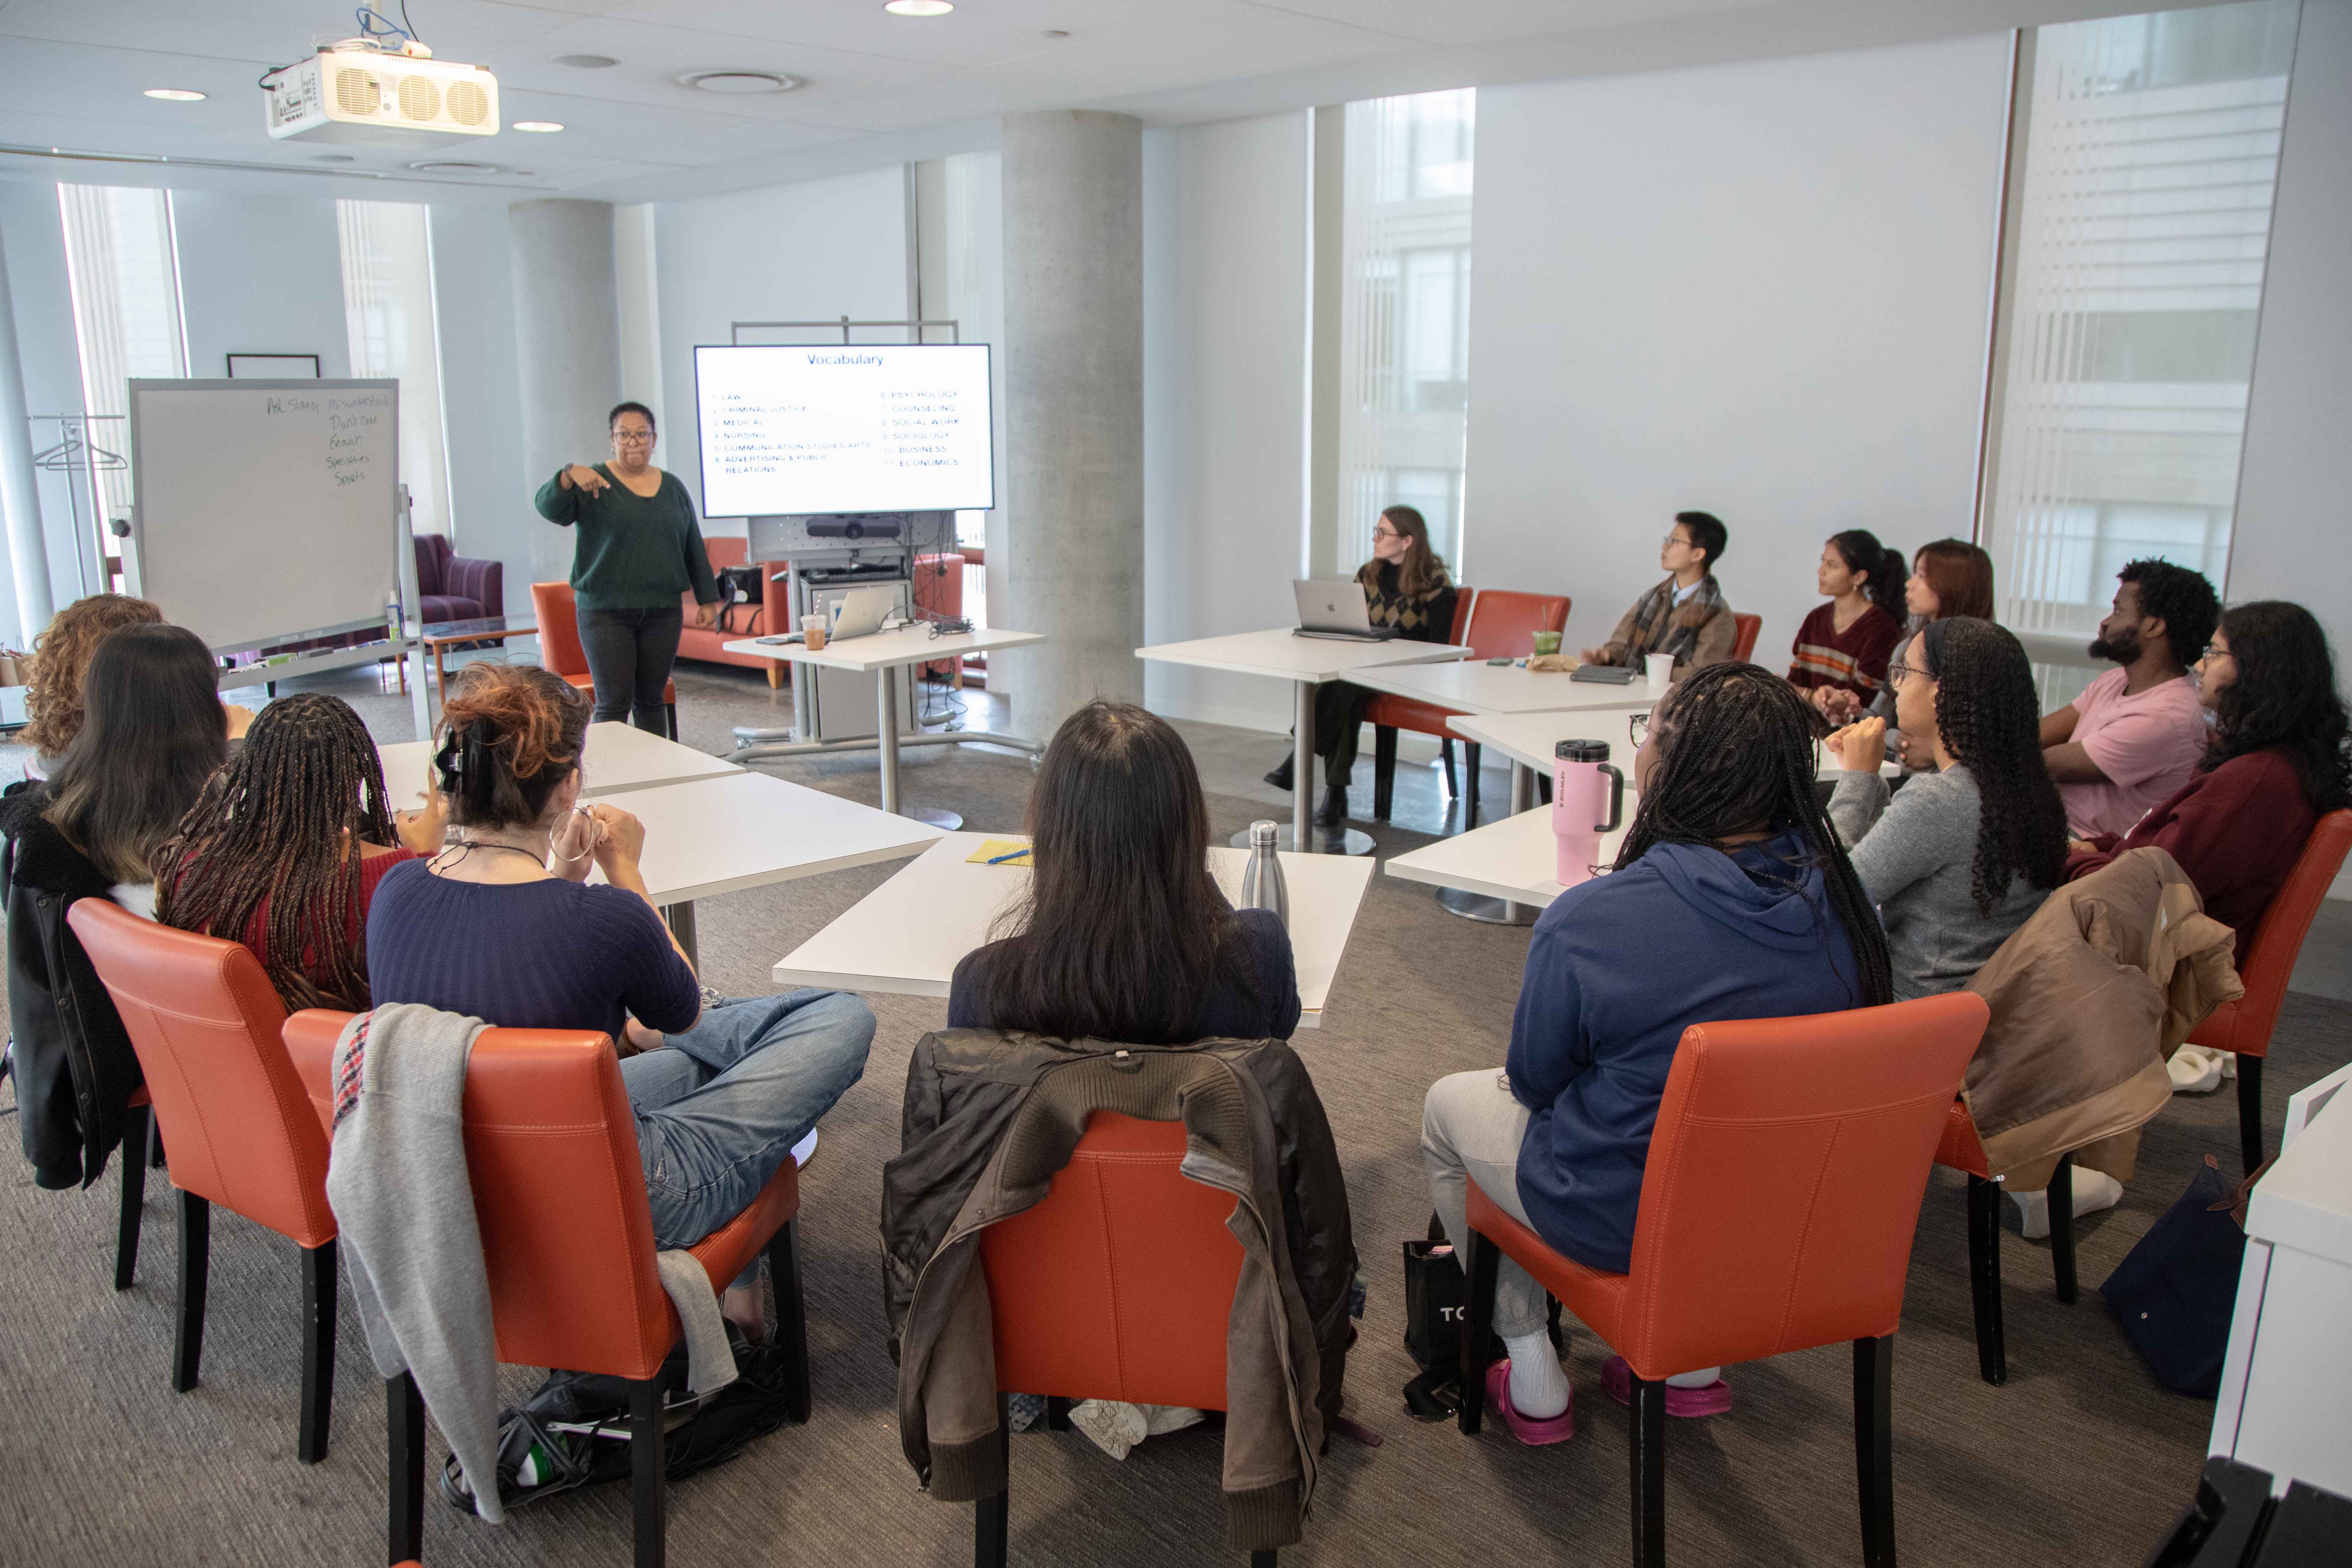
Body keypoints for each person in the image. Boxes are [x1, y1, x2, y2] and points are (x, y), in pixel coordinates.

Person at [1423, 663, 1891, 1442]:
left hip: (1624, 1214)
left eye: (1651, 731)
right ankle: (1691, 1366)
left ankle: (1530, 1363)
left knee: (1447, 1103)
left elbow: (1536, 1082)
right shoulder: (1848, 909)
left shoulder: (1592, 919)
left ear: (1671, 765)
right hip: (1789, 1214)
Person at [365, 663, 874, 1337]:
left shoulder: (395, 893)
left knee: (708, 1057)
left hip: (463, 1178)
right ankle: (739, 1298)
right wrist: (623, 869)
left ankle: (742, 1301)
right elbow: (688, 1006)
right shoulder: (602, 919)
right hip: (614, 1193)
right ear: (568, 784)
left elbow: (509, 945)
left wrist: (563, 877)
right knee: (840, 1016)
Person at [2067, 602, 2351, 1089]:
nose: (2200, 664)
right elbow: (2169, 854)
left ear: (2259, 671)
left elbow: (2145, 889)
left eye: (2215, 654)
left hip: (2166, 957)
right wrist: (2105, 845)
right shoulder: (2273, 764)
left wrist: (2072, 859)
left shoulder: (2253, 780)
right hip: (2170, 929)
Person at [2, 622, 233, 1188]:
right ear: (203, 707)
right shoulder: (220, 821)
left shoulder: (56, 816)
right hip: (205, 1035)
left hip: (119, 1026)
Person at [954, 699, 1300, 1041]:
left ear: (1050, 835)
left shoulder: (983, 983)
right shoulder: (1259, 951)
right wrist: (1201, 891)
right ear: (1192, 828)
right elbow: (1276, 1038)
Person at [155, 694, 444, 1012]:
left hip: (238, 1054)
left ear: (248, 771)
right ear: (356, 780)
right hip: (346, 1055)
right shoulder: (396, 882)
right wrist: (424, 853)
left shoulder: (190, 872)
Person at [1827, 617, 2066, 1001]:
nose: (1895, 686)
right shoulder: (2022, 787)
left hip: (1907, 1014)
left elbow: (1829, 895)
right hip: (1977, 1011)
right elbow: (1907, 851)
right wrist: (1869, 778)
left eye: (1904, 670)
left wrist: (1856, 778)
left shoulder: (1939, 800)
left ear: (1943, 689)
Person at [1263, 504, 1459, 827]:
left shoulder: (1435, 583)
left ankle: (1306, 762)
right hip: (1364, 668)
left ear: (1408, 541)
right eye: (1375, 531)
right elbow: (1351, 623)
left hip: (1412, 672)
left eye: (1383, 533)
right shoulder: (1369, 574)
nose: (1375, 539)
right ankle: (1334, 793)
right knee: (1345, 688)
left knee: (1343, 685)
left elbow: (1440, 648)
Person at [533, 401, 720, 735]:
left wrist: (708, 599)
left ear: (654, 439)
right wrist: (566, 475)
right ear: (612, 440)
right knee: (614, 703)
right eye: (624, 435)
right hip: (606, 612)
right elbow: (551, 510)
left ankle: (656, 775)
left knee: (651, 701)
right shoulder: (592, 480)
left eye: (641, 435)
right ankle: (612, 782)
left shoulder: (673, 487)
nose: (633, 442)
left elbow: (692, 543)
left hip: (663, 612)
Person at [2040, 559, 2219, 838]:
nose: (2106, 622)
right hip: (2052, 824)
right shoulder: (2118, 680)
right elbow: (2037, 736)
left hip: (2081, 846)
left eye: (2118, 610)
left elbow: (2042, 764)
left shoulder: (2166, 718)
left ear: (2154, 627)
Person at [1818, 538, 1994, 742]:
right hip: (1896, 768)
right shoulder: (1906, 648)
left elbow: (1973, 742)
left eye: (1922, 576)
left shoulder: (1983, 656)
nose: (1909, 584)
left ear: (1954, 585)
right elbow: (1879, 718)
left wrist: (1911, 745)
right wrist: (1848, 711)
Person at [1579, 511, 1737, 679]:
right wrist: (1606, 656)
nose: (1665, 546)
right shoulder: (1653, 598)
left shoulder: (1717, 615)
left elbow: (1700, 676)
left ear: (1697, 554)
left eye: (1675, 541)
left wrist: (1651, 675)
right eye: (1668, 540)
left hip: (1672, 701)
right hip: (1632, 690)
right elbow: (1620, 645)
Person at [1787, 529, 1905, 712]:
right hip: (1806, 724)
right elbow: (1794, 683)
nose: (1821, 571)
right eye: (1823, 562)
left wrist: (1809, 696)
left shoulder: (1881, 628)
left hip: (1846, 734)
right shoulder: (1816, 618)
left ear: (1859, 577)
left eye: (1832, 566)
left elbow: (1864, 702)